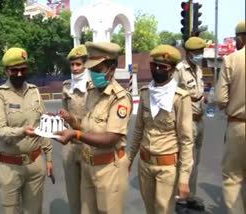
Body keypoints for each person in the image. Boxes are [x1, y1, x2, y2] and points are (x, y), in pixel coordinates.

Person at [55, 42, 132, 214]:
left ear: (111, 69)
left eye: (98, 69)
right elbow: (86, 126)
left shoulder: (119, 99)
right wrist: (71, 121)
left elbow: (110, 138)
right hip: (88, 166)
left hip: (109, 169)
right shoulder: (92, 92)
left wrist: (75, 134)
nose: (94, 74)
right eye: (92, 69)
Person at [128, 45, 193, 214]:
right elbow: (138, 130)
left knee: (163, 210)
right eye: (154, 65)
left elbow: (186, 141)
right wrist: (128, 160)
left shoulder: (180, 98)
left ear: (171, 71)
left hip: (168, 167)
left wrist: (184, 178)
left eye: (162, 67)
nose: (157, 69)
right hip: (145, 164)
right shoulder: (145, 94)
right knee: (150, 210)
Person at [0, 47, 54, 214]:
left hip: (35, 164)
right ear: (6, 71)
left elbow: (43, 124)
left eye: (23, 69)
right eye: (14, 70)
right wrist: (22, 131)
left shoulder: (34, 91)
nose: (19, 74)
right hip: (9, 167)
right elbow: (0, 129)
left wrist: (49, 159)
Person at [215, 20, 246, 214]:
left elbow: (220, 99)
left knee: (233, 177)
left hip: (239, 126)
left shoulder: (232, 59)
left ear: (241, 37)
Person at [174, 36, 207, 211]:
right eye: (196, 53)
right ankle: (180, 198)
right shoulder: (179, 70)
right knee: (187, 161)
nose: (199, 55)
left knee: (196, 161)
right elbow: (171, 96)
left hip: (200, 120)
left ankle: (190, 196)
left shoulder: (198, 69)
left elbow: (198, 92)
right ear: (188, 53)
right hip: (186, 122)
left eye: (201, 52)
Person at [61, 44, 91, 214]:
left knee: (88, 196)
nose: (75, 68)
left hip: (88, 142)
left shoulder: (93, 85)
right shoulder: (66, 86)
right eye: (72, 65)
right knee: (73, 194)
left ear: (85, 64)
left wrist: (74, 122)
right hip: (70, 145)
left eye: (78, 64)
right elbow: (64, 112)